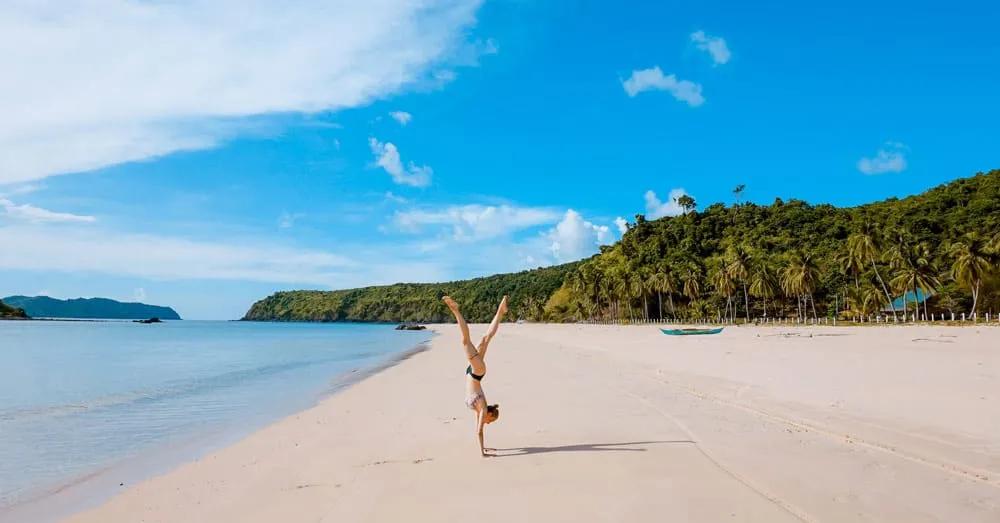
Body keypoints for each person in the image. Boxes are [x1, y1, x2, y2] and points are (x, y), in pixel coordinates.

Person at [442, 295, 508, 457]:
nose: (488, 423)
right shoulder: (483, 410)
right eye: (490, 421)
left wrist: (484, 448)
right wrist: (482, 453)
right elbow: (478, 432)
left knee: (486, 339)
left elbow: (478, 431)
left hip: (474, 372)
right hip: (476, 372)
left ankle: (500, 311)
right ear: (490, 414)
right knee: (465, 342)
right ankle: (456, 310)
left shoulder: (480, 411)